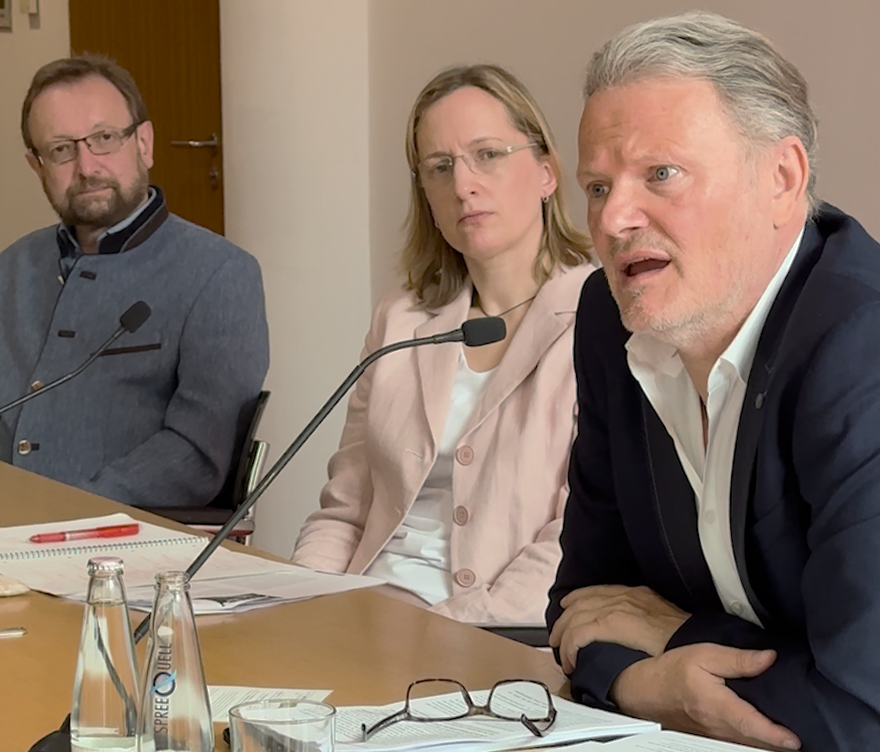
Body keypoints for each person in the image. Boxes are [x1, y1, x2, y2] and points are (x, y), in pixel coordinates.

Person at [546, 11, 880, 751]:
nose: (613, 219)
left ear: (782, 179)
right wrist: (635, 681)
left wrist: (673, 640)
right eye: (597, 186)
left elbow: (862, 713)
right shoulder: (612, 316)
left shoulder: (862, 348)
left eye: (660, 174)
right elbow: (581, 606)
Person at [293, 64, 593, 625]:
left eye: (488, 154)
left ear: (547, 172)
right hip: (364, 617)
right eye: (440, 167)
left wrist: (449, 631)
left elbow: (576, 538)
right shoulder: (401, 320)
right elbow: (344, 512)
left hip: (495, 634)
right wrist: (305, 610)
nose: (463, 185)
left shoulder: (600, 319)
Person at [0, 54, 269, 509]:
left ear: (145, 143)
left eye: (104, 138)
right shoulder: (8, 270)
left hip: (126, 546)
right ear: (36, 166)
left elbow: (197, 454)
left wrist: (66, 513)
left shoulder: (219, 273)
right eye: (60, 149)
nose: (86, 166)